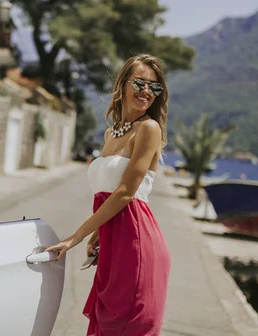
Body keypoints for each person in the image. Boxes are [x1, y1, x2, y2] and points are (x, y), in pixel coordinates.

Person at [46, 54, 171, 336]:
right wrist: (99, 232)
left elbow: (126, 193)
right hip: (114, 242)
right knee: (106, 324)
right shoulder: (110, 134)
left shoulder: (149, 128)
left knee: (126, 327)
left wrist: (74, 237)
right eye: (139, 83)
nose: (146, 91)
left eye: (155, 87)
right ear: (123, 85)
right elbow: (108, 194)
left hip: (136, 243)